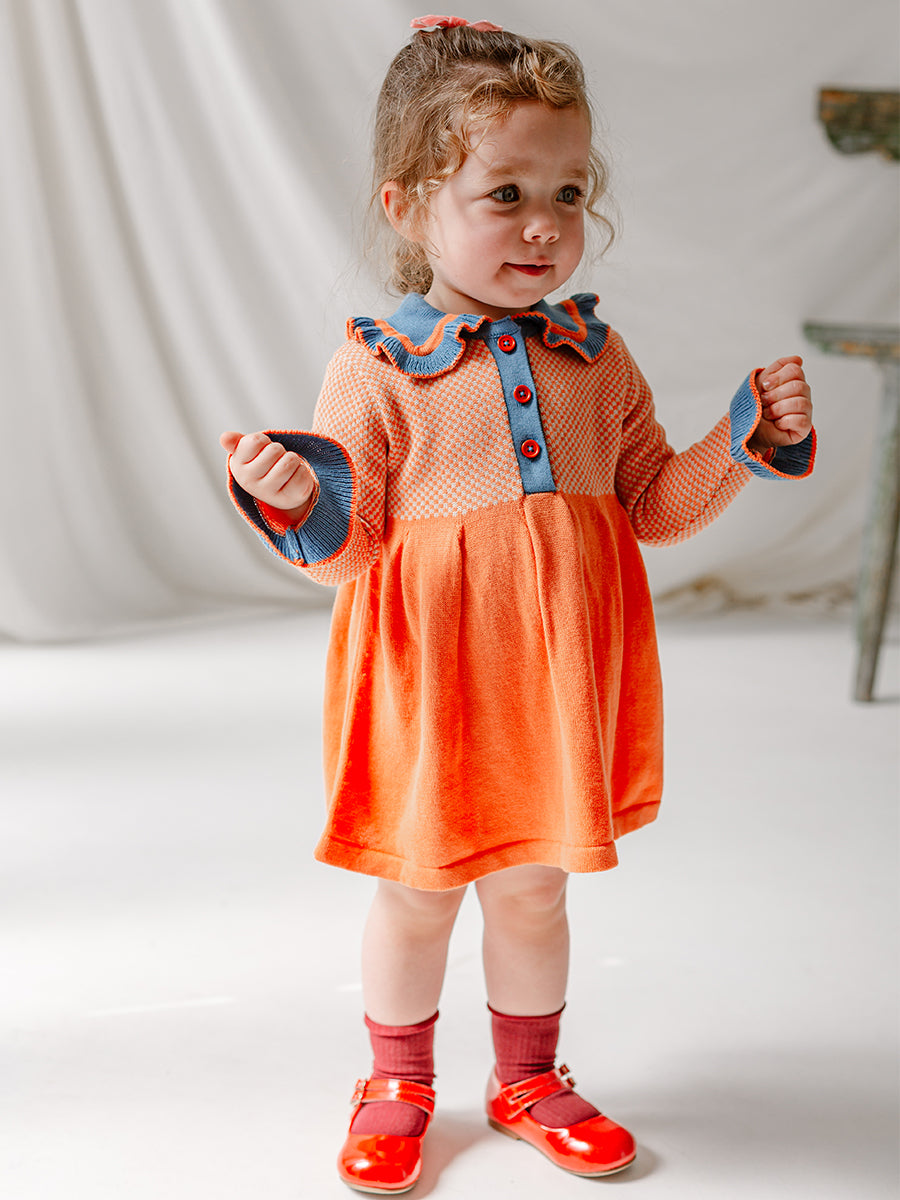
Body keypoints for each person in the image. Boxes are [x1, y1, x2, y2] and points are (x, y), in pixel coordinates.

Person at [220, 15, 814, 1194]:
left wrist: (742, 438)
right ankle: (395, 1082)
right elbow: (349, 549)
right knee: (417, 890)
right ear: (407, 207)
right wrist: (294, 499)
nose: (545, 224)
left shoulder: (596, 360)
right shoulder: (378, 367)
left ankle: (528, 1079)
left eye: (568, 192)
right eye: (505, 194)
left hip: (552, 684)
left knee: (535, 888)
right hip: (430, 682)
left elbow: (654, 507)